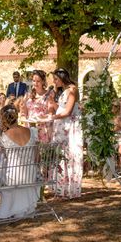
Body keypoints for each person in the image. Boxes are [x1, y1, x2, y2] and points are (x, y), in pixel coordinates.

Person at [0, 105, 39, 219]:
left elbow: (4, 156)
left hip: (13, 178)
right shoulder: (32, 131)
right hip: (30, 175)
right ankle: (26, 208)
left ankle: (13, 210)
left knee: (2, 167)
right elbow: (37, 158)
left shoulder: (4, 136)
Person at [50, 68, 83, 199]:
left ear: (62, 78)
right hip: (62, 127)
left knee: (69, 156)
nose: (54, 81)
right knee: (61, 156)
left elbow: (68, 111)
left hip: (70, 129)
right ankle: (60, 187)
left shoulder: (72, 89)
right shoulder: (63, 91)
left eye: (56, 79)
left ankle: (70, 188)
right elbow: (61, 108)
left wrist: (52, 117)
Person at [23, 70, 53, 142]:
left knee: (43, 152)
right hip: (30, 128)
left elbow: (51, 114)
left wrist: (42, 118)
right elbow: (24, 113)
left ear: (43, 81)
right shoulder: (28, 95)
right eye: (33, 81)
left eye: (38, 81)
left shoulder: (49, 94)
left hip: (44, 129)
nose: (35, 83)